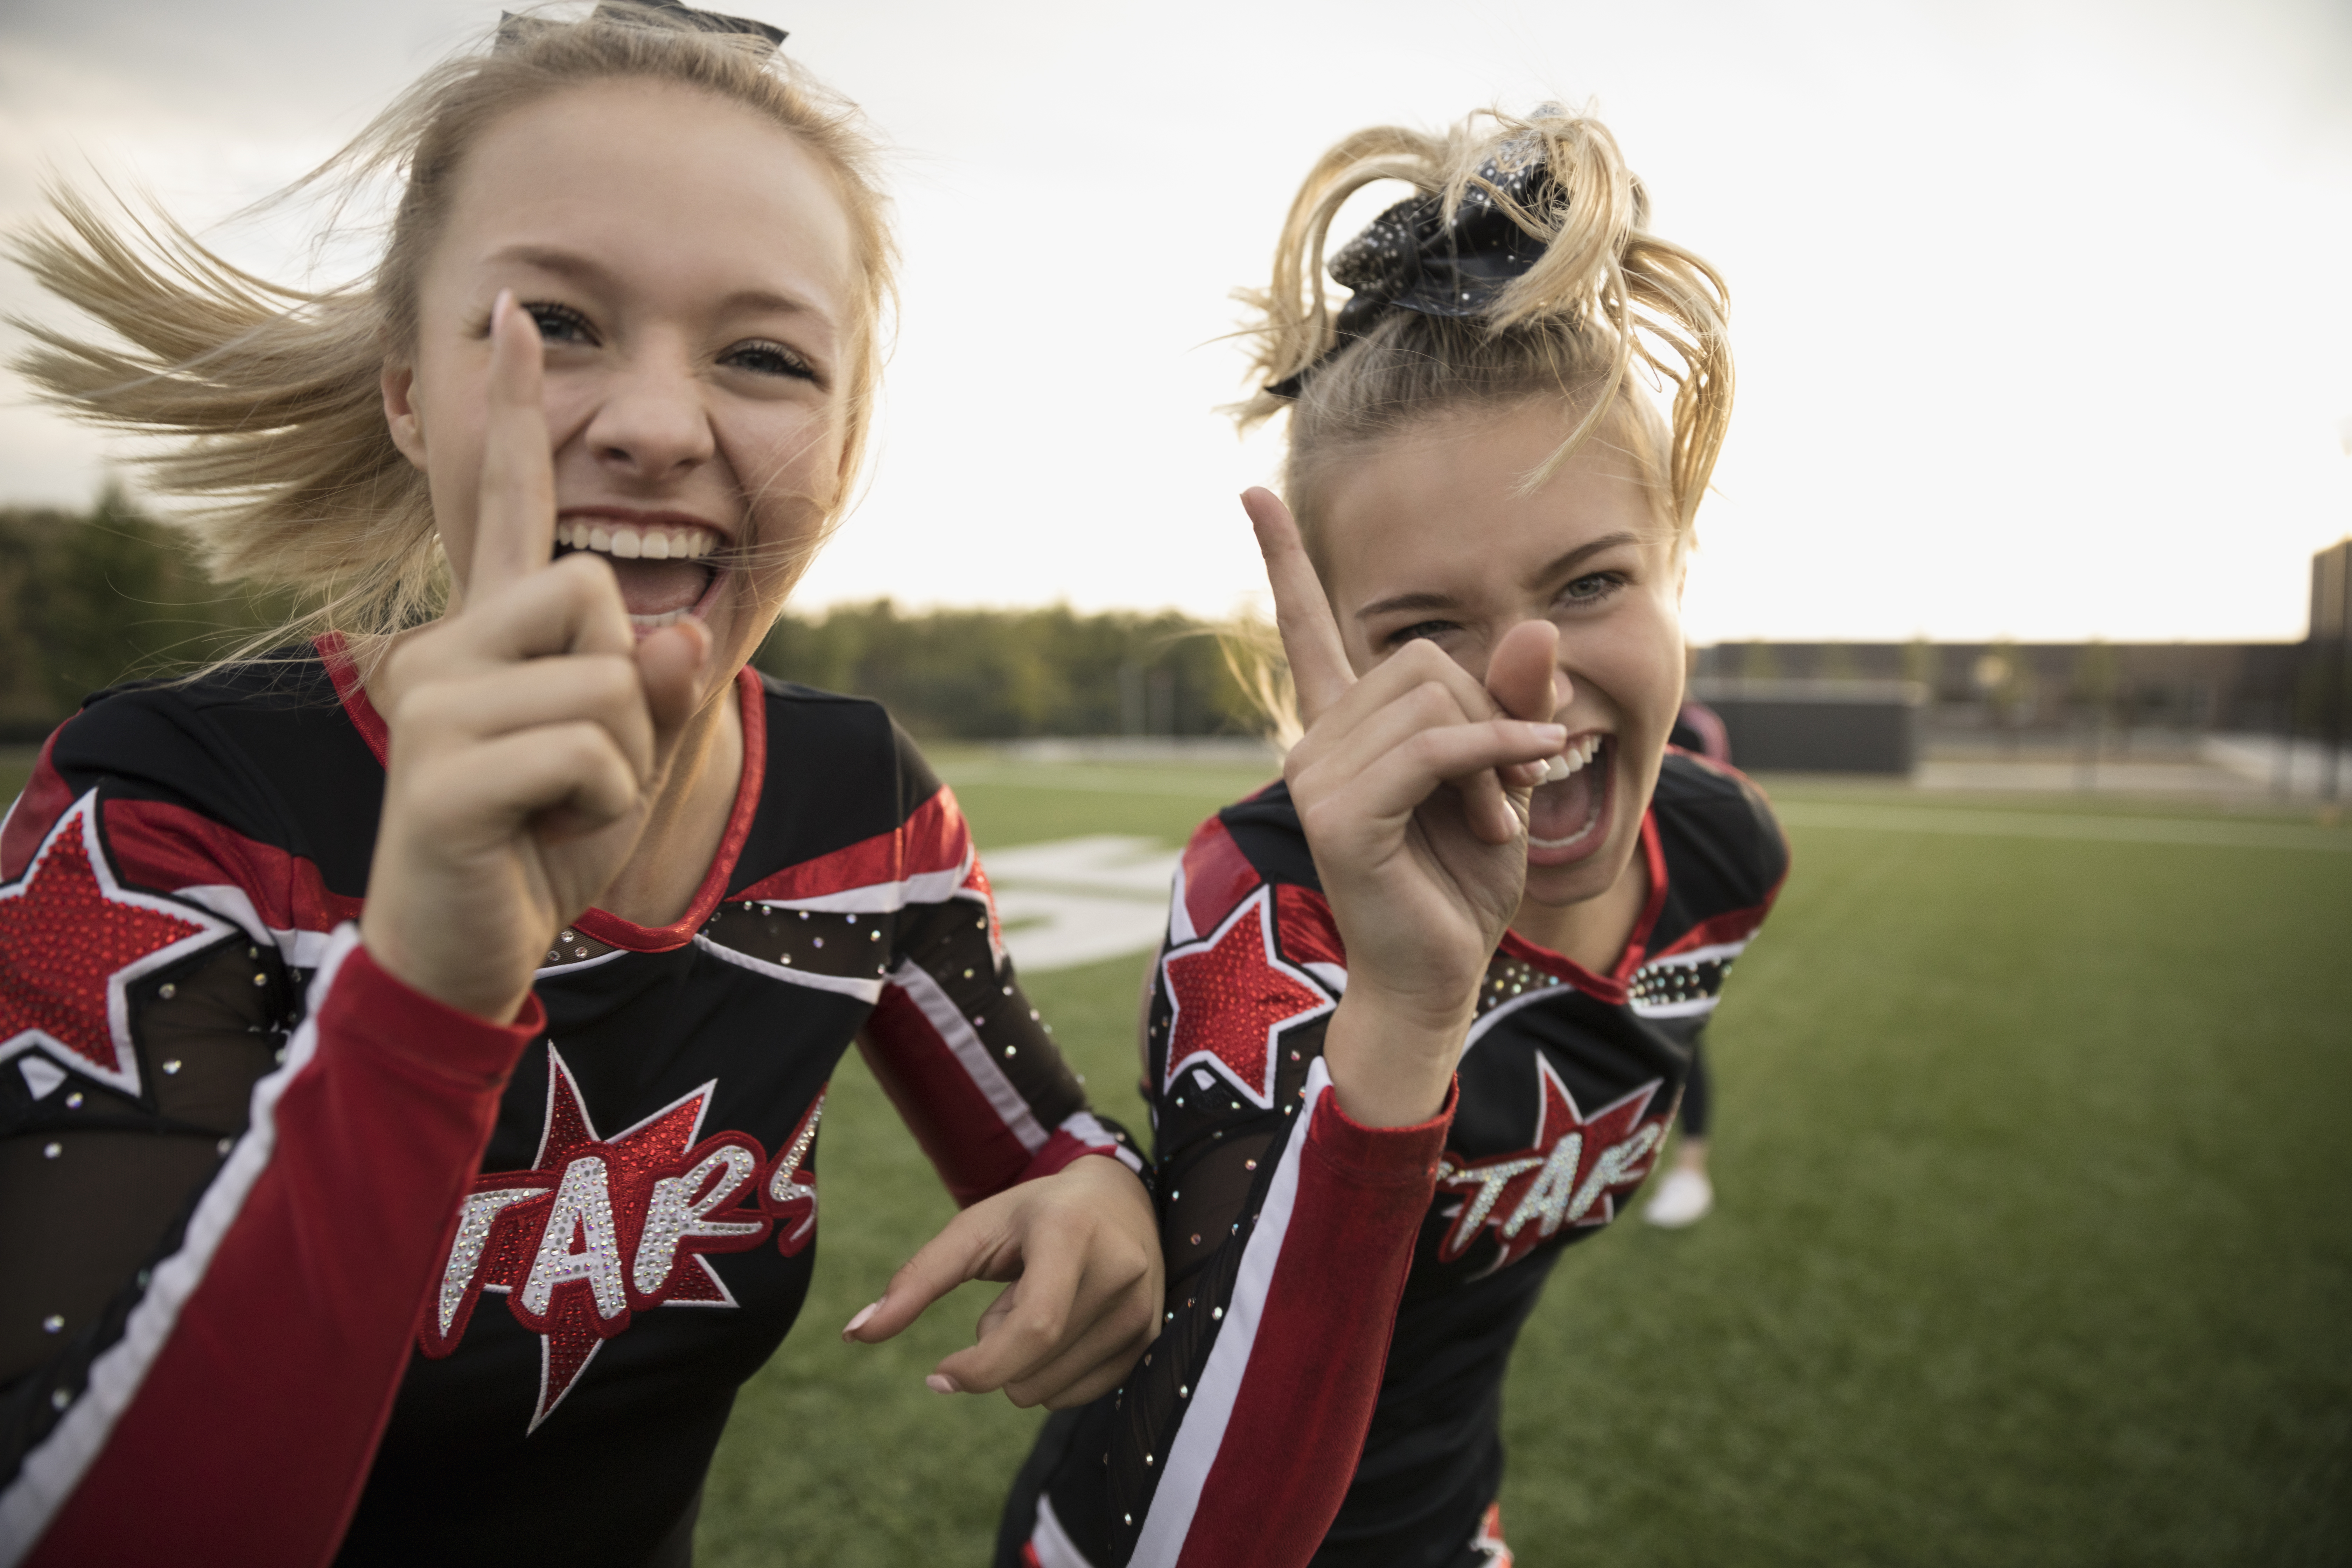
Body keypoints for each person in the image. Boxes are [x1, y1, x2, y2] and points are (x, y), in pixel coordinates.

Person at [0, 7, 1160, 1565]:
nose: (659, 428)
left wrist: (1103, 1196)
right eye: (554, 323)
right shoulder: (163, 819)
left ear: (842, 440)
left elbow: (1061, 1148)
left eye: (764, 356)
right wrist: (427, 990)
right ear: (408, 390)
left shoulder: (863, 810)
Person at [998, 106, 1788, 1568]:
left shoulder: (1723, 859)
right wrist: (1411, 1017)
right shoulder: (1268, 908)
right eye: (1425, 629)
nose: (1530, 682)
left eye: (1592, 583)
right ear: (1323, 660)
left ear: (1679, 564)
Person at [1645, 698, 1734, 1228]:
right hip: (1604, 903)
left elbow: (1712, 820)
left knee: (1679, 1034)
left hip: (1675, 909)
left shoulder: (1696, 728)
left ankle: (1692, 1169)